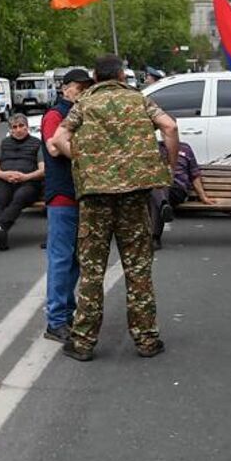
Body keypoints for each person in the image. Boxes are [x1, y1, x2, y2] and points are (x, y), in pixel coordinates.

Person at [52, 54, 177, 361]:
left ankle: (82, 342)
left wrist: (83, 160)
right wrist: (168, 168)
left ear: (96, 77)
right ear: (122, 75)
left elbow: (59, 138)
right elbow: (170, 127)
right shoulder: (139, 101)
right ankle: (147, 339)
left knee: (92, 270)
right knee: (137, 267)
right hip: (134, 196)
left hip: (95, 197)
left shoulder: (84, 104)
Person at [38, 68, 91, 339]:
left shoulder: (79, 114)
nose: (81, 92)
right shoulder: (56, 115)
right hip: (62, 195)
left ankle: (66, 313)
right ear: (65, 88)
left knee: (74, 260)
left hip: (80, 193)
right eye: (78, 87)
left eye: (85, 87)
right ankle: (56, 320)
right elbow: (53, 147)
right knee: (61, 259)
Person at [0, 110, 44, 250]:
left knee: (20, 196)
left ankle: (0, 227)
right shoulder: (5, 143)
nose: (18, 130)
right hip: (6, 180)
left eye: (21, 126)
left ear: (27, 127)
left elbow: (43, 170)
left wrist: (26, 177)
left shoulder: (37, 144)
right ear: (11, 130)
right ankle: (1, 234)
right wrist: (3, 175)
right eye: (14, 127)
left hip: (29, 182)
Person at [150, 135, 215, 247]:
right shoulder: (154, 147)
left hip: (177, 189)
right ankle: (163, 206)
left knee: (158, 192)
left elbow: (195, 174)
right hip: (157, 187)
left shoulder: (185, 148)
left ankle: (156, 236)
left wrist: (203, 196)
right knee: (159, 187)